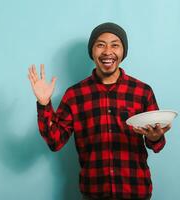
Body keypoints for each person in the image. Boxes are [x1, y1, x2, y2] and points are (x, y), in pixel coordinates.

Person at [28, 22, 172, 200]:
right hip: (94, 192)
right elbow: (54, 141)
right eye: (100, 44)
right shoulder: (74, 95)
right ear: (92, 51)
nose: (107, 51)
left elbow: (157, 144)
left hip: (135, 190)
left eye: (115, 45)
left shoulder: (142, 91)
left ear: (123, 52)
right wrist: (44, 104)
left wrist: (155, 137)